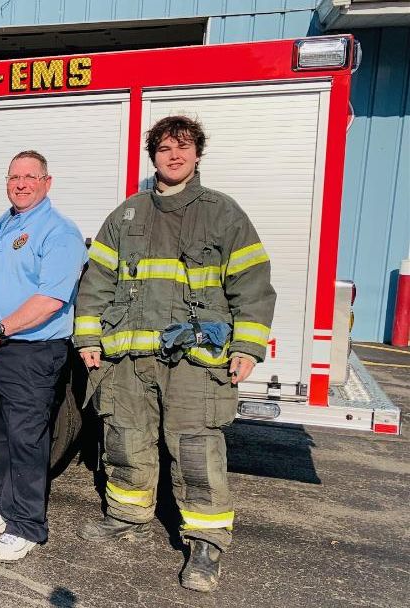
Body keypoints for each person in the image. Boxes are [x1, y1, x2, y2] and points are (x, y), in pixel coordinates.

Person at [73, 115, 276, 592]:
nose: (175, 155)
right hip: (128, 357)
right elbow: (97, 282)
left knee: (196, 448)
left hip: (195, 359)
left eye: (184, 147)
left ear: (198, 154)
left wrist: (247, 345)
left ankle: (205, 542)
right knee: (125, 436)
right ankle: (127, 513)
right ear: (153, 156)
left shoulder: (223, 214)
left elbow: (252, 284)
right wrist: (87, 338)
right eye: (165, 148)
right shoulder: (126, 215)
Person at [0, 150, 86, 562]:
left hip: (33, 352)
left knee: (27, 440)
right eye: (14, 176)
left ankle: (27, 525)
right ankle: (3, 504)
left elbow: (50, 300)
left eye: (30, 176)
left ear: (47, 182)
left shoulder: (59, 232)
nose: (21, 183)